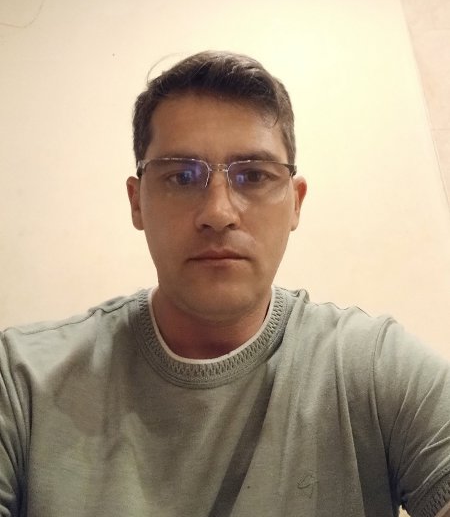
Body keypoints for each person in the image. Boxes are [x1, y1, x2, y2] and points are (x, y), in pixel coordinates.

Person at [0, 51, 449, 517]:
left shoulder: (372, 370)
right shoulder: (21, 383)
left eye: (253, 176)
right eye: (181, 176)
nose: (218, 212)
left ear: (295, 203)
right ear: (137, 202)